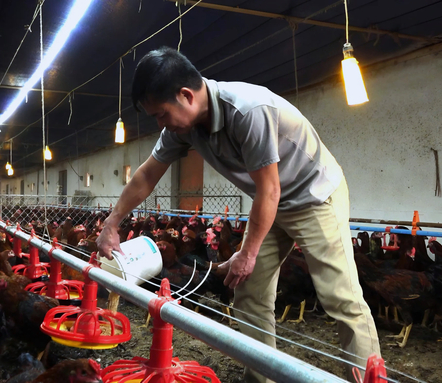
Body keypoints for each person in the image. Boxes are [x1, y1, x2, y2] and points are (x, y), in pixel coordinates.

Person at [96, 47, 381, 382]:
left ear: (186, 96)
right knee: (249, 292)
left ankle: (369, 378)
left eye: (160, 114)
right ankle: (260, 377)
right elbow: (146, 175)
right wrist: (111, 223)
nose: (160, 123)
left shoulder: (248, 109)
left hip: (313, 196)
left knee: (340, 297)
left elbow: (270, 189)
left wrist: (247, 253)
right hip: (270, 201)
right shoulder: (181, 130)